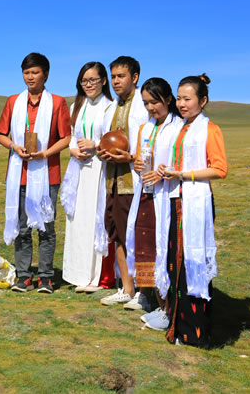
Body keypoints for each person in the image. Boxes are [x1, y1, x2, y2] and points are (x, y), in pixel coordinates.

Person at [156, 74, 227, 347]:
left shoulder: (210, 130)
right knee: (176, 264)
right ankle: (177, 324)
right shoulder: (181, 128)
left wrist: (184, 174)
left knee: (191, 264)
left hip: (194, 204)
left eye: (188, 99)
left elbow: (220, 169)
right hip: (177, 200)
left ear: (203, 100)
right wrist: (167, 170)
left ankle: (194, 332)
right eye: (179, 98)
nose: (181, 104)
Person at [0, 52, 71, 294]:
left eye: (35, 72)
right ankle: (24, 275)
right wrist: (14, 147)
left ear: (46, 74)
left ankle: (46, 277)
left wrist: (46, 153)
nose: (30, 77)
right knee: (22, 227)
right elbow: (1, 134)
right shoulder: (13, 102)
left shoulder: (58, 103)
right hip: (19, 174)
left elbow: (66, 137)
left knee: (46, 227)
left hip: (47, 173)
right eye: (26, 72)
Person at [94, 56, 149, 310]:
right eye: (113, 76)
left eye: (121, 76)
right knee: (116, 232)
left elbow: (151, 143)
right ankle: (126, 288)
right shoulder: (110, 108)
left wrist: (131, 157)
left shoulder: (143, 107)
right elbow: (104, 140)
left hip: (136, 181)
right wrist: (100, 152)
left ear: (134, 77)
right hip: (113, 181)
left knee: (138, 236)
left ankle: (144, 292)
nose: (115, 81)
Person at [128, 77, 184, 329]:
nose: (151, 108)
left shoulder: (179, 127)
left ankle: (171, 308)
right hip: (147, 194)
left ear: (168, 99)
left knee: (167, 249)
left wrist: (164, 172)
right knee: (148, 246)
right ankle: (160, 304)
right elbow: (141, 158)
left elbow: (184, 162)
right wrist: (137, 163)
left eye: (155, 102)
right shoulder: (145, 128)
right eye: (146, 103)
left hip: (169, 196)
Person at [60, 61, 115, 293]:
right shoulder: (76, 106)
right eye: (84, 81)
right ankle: (76, 272)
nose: (88, 85)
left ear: (104, 81)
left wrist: (96, 144)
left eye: (93, 80)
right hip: (79, 170)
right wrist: (73, 149)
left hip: (101, 170)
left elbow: (116, 139)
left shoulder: (111, 107)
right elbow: (71, 135)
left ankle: (98, 277)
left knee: (97, 219)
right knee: (78, 221)